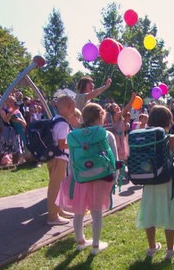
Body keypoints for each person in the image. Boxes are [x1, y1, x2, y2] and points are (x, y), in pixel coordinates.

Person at [55, 103, 119, 255]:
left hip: (80, 178)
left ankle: (80, 242)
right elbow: (114, 157)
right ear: (101, 116)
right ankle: (96, 246)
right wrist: (115, 176)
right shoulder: (105, 134)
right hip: (101, 177)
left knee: (79, 211)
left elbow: (72, 160)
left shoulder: (74, 136)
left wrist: (73, 178)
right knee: (96, 212)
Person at [136, 105, 174, 260]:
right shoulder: (168, 138)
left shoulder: (143, 136)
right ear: (168, 121)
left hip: (149, 181)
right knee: (170, 212)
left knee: (149, 212)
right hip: (166, 180)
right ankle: (170, 250)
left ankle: (151, 248)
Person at [46, 95, 77, 225]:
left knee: (59, 186)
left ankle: (59, 210)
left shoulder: (55, 120)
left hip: (55, 157)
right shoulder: (63, 123)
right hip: (59, 158)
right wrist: (76, 144)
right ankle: (53, 216)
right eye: (73, 108)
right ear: (69, 107)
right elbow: (62, 144)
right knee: (55, 187)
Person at [0, 95, 26, 166]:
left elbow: (24, 123)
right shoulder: (3, 110)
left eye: (12, 101)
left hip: (15, 132)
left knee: (17, 150)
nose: (11, 103)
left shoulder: (17, 111)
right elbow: (6, 120)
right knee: (2, 149)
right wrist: (11, 111)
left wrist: (19, 120)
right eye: (9, 101)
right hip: (7, 131)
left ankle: (15, 165)